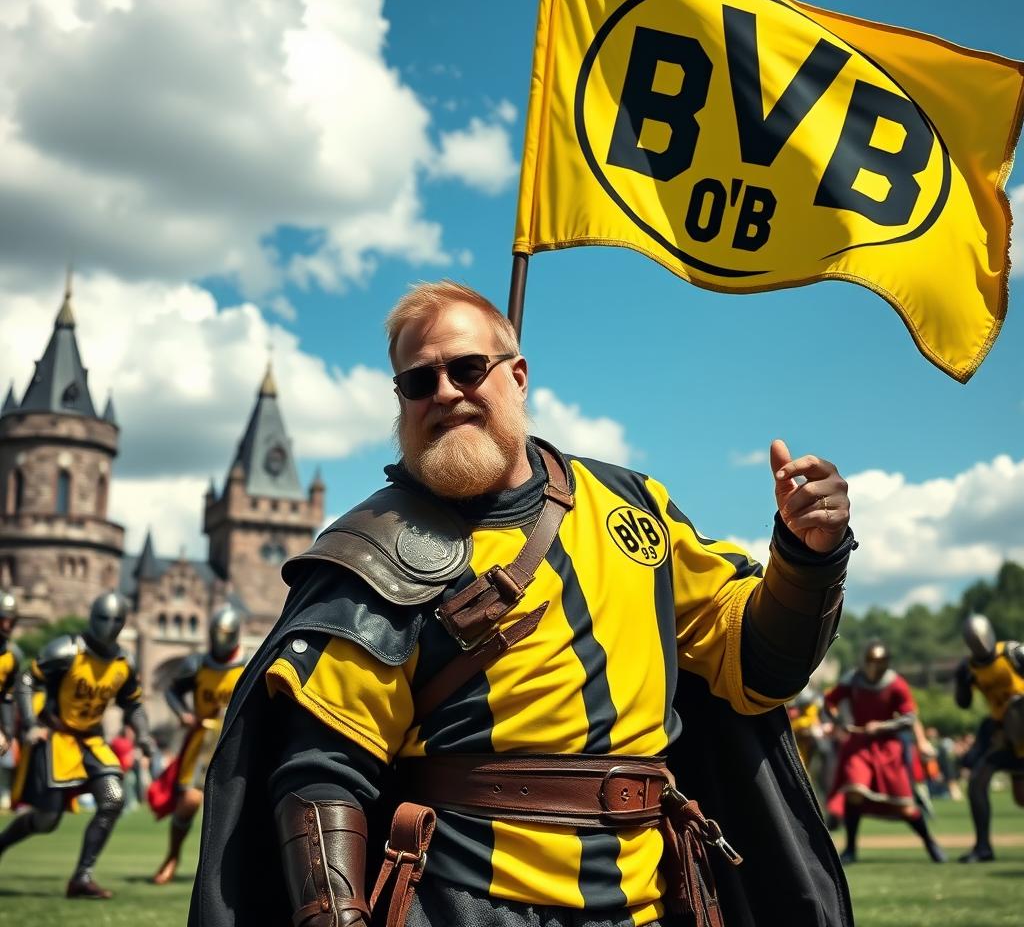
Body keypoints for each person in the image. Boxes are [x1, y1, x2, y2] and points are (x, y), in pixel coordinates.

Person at [190, 280, 858, 927]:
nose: (446, 392)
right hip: (462, 902)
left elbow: (758, 665)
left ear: (518, 375)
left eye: (469, 367)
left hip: (652, 900)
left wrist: (808, 556)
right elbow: (323, 770)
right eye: (420, 381)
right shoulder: (374, 548)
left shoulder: (635, 508)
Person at [0, 591, 155, 898]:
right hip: (58, 737)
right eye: (103, 618)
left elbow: (133, 704)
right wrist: (30, 724)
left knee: (113, 799)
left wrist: (144, 734)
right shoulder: (68, 649)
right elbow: (27, 680)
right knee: (47, 820)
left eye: (115, 620)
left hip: (93, 739)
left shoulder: (125, 662)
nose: (109, 625)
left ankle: (82, 878)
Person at [825, 641, 946, 864]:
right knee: (854, 790)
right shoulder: (852, 679)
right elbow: (829, 701)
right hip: (859, 745)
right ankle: (851, 849)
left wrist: (881, 726)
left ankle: (930, 842)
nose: (873, 667)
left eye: (878, 663)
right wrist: (838, 720)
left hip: (888, 748)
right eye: (870, 662)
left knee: (906, 808)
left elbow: (909, 717)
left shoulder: (896, 684)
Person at [151, 606, 246, 884]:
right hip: (201, 739)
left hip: (233, 740)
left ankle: (223, 873)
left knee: (232, 808)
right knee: (189, 803)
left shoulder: (247, 665)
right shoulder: (197, 664)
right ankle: (172, 856)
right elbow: (172, 690)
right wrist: (183, 714)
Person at [953, 613, 1024, 863]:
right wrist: (961, 682)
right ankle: (983, 847)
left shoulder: (1014, 653)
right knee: (977, 782)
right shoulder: (969, 667)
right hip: (1004, 736)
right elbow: (963, 703)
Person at [0, 592, 24, 763]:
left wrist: (8, 733)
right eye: (3, 620)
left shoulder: (13, 656)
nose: (7, 626)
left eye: (11, 621)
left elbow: (6, 697)